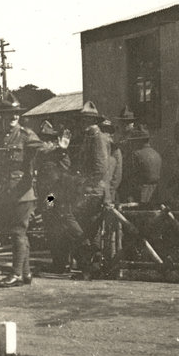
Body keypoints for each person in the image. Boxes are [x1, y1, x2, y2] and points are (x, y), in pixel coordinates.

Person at [0, 92, 43, 287]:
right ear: (1, 116)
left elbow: (41, 149)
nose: (13, 117)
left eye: (16, 114)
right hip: (7, 193)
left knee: (18, 232)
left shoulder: (26, 135)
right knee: (18, 233)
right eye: (8, 114)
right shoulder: (2, 137)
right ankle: (26, 273)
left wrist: (58, 148)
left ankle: (16, 274)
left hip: (23, 193)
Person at [35, 120, 79, 274]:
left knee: (58, 227)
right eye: (43, 138)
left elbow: (65, 169)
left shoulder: (59, 152)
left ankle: (63, 262)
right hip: (48, 195)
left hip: (54, 195)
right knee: (51, 229)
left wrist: (60, 149)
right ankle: (59, 262)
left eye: (47, 139)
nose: (44, 142)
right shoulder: (43, 153)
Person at [71, 101, 110, 272]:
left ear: (92, 121)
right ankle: (90, 263)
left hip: (92, 191)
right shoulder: (89, 137)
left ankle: (93, 262)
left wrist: (84, 185)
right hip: (88, 190)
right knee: (87, 226)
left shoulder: (97, 138)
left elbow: (100, 168)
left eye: (86, 120)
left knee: (89, 227)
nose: (83, 124)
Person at [124, 128, 162, 206]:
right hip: (155, 193)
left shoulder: (136, 154)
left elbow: (129, 175)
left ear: (139, 141)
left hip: (140, 193)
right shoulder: (156, 154)